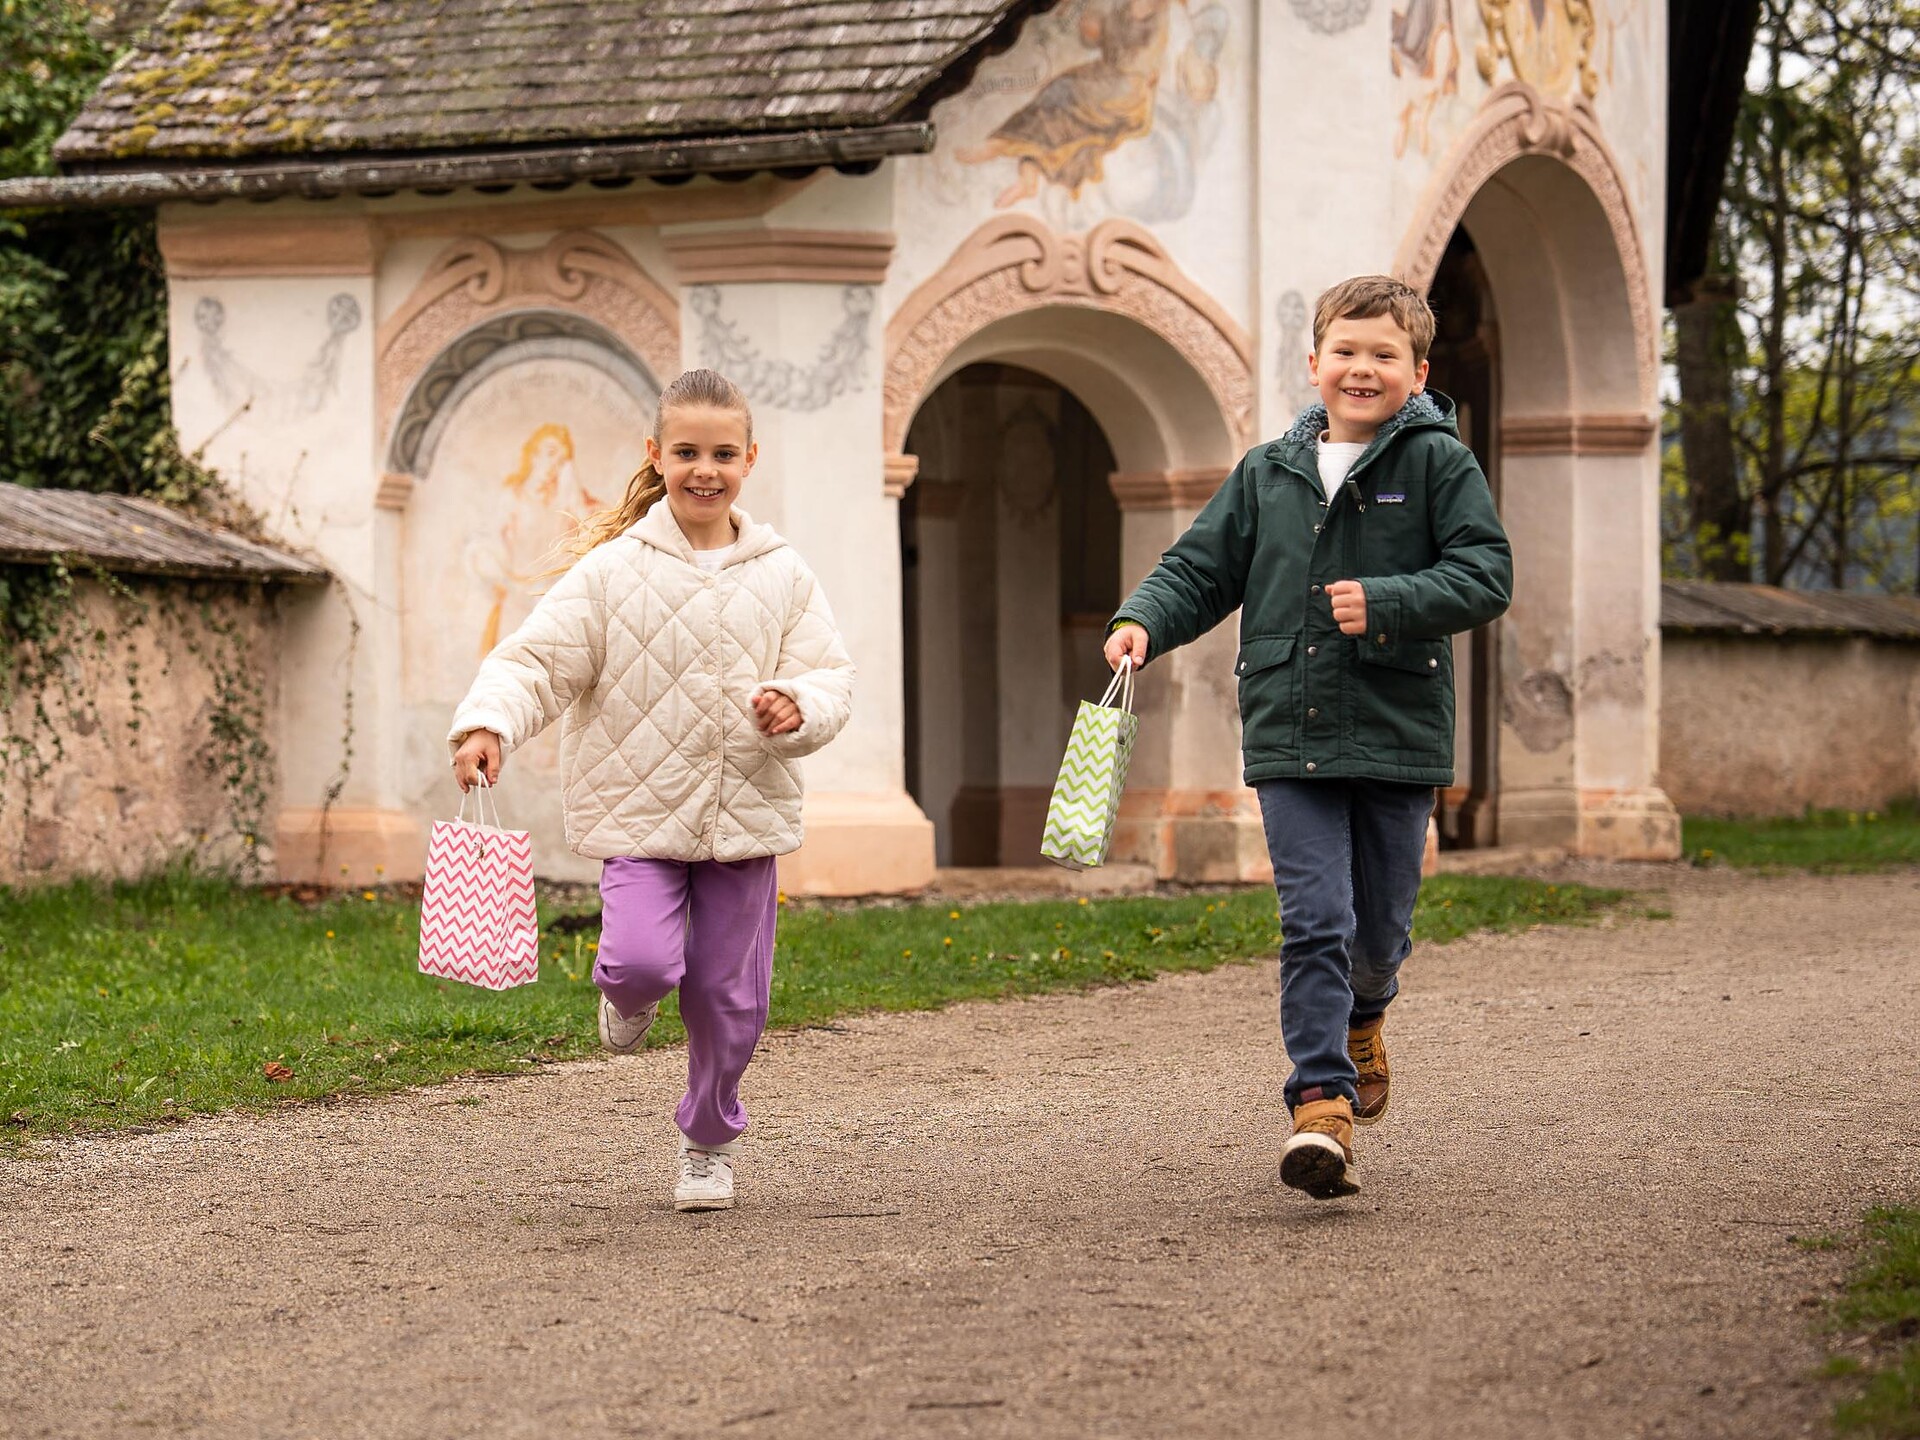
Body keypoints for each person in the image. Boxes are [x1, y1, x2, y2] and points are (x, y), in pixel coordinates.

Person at [1104, 276, 1511, 1199]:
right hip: (1291, 728)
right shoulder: (1268, 471)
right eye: (1347, 351)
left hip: (1400, 729)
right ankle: (1319, 1101)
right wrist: (1144, 622)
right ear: (1315, 361)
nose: (1362, 369)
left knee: (1380, 934)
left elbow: (1486, 574)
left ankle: (1367, 1014)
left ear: (1418, 372)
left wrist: (1394, 602)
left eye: (1384, 355)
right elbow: (1201, 569)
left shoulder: (1440, 465)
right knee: (1315, 920)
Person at [448, 368, 855, 1213]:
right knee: (639, 960)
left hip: (745, 815)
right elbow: (536, 659)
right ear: (655, 455)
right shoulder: (612, 571)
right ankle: (623, 1001)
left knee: (726, 997)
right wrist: (488, 722)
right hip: (638, 813)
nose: (703, 469)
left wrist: (799, 705)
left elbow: (830, 677)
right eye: (684, 452)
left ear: (749, 457)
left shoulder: (782, 573)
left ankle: (707, 1141)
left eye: (720, 453)